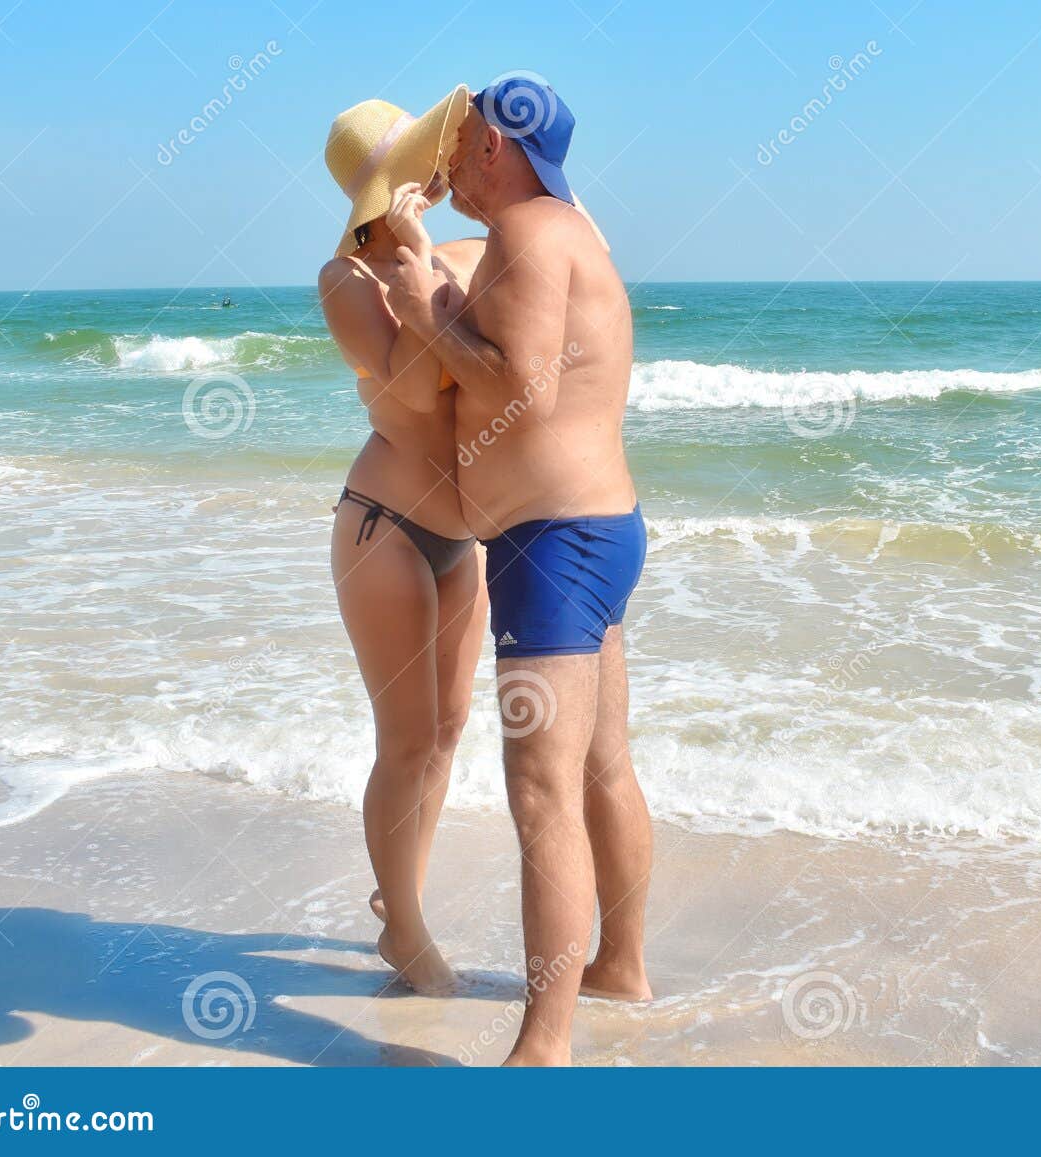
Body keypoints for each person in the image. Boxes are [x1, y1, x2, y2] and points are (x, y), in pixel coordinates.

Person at [381, 75, 652, 1066]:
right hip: (596, 530)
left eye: (458, 139)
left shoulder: (530, 236)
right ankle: (619, 963)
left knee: (540, 791)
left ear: (496, 145)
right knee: (599, 766)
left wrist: (419, 308)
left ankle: (545, 1044)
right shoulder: (566, 228)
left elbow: (522, 388)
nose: (446, 155)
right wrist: (442, 289)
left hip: (553, 544)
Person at [316, 89, 487, 995]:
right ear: (389, 189)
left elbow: (581, 262)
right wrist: (419, 260)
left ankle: (401, 898)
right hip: (385, 527)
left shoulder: (465, 249)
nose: (439, 174)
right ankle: (408, 934)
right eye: (423, 165)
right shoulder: (347, 280)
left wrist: (439, 255)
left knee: (452, 728)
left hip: (465, 540)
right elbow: (419, 392)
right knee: (407, 738)